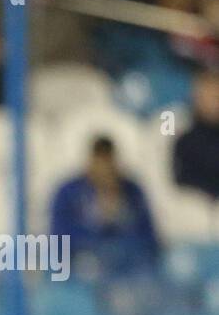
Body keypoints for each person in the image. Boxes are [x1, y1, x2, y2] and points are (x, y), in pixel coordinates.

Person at [50, 135, 158, 263]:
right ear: (90, 163)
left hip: (128, 268)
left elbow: (149, 239)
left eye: (108, 163)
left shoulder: (132, 191)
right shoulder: (69, 193)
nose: (104, 171)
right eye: (99, 163)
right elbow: (59, 238)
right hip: (81, 267)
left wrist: (119, 215)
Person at [174, 69, 219, 199]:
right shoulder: (186, 142)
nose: (215, 103)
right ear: (196, 98)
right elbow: (183, 184)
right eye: (209, 96)